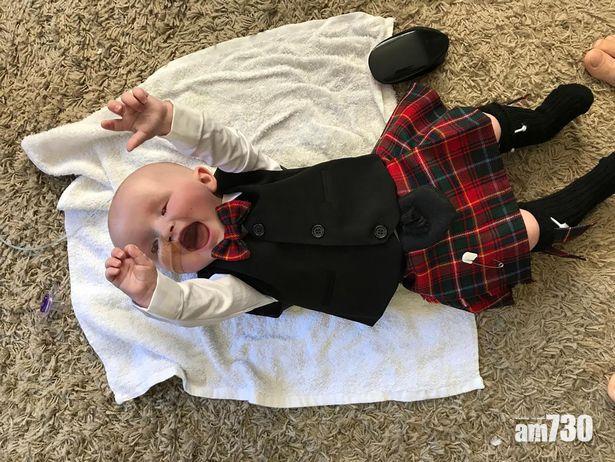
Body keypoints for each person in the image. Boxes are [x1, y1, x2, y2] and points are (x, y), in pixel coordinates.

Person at [103, 82, 613, 328]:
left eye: (162, 208)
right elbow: (195, 307)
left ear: (201, 178)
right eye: (153, 245)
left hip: (390, 176)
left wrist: (169, 120)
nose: (166, 231)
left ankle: (531, 125)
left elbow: (225, 145)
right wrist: (150, 294)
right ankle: (579, 196)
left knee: (462, 132)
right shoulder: (240, 282)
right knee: (510, 236)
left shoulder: (249, 180)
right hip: (410, 257)